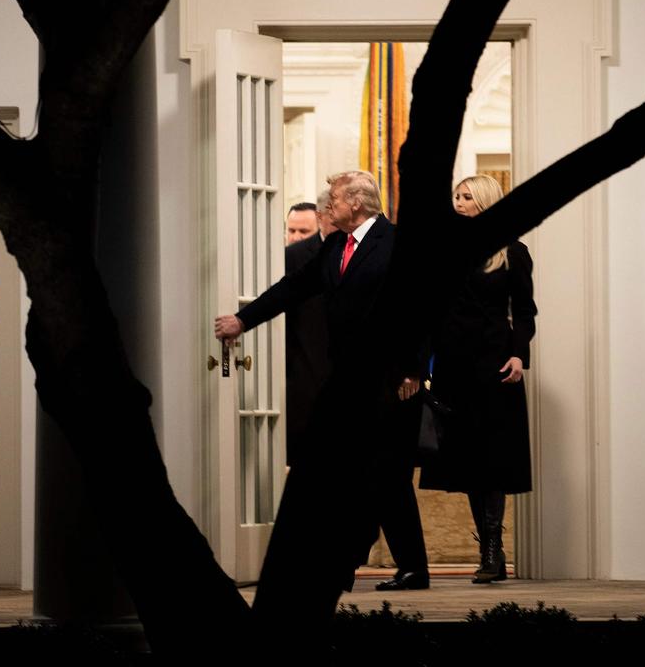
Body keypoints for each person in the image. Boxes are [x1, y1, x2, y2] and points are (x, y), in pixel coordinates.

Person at [214, 171, 430, 592]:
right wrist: (243, 320)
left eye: (332, 200)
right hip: (345, 381)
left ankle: (411, 568)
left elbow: (420, 308)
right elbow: (291, 289)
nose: (326, 207)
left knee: (388, 475)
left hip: (390, 381)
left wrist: (413, 368)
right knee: (347, 472)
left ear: (357, 202)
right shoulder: (335, 245)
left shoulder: (398, 242)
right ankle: (343, 563)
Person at [419, 174, 537, 584]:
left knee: (493, 459)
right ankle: (487, 549)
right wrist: (423, 367)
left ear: (485, 202)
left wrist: (520, 353)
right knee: (467, 459)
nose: (458, 202)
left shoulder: (512, 252)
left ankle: (493, 548)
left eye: (466, 197)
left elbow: (524, 311)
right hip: (453, 367)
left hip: (495, 366)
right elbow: (428, 315)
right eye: (456, 195)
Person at [283, 190, 336, 464]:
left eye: (303, 231)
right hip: (296, 375)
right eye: (290, 230)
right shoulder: (284, 259)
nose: (295, 237)